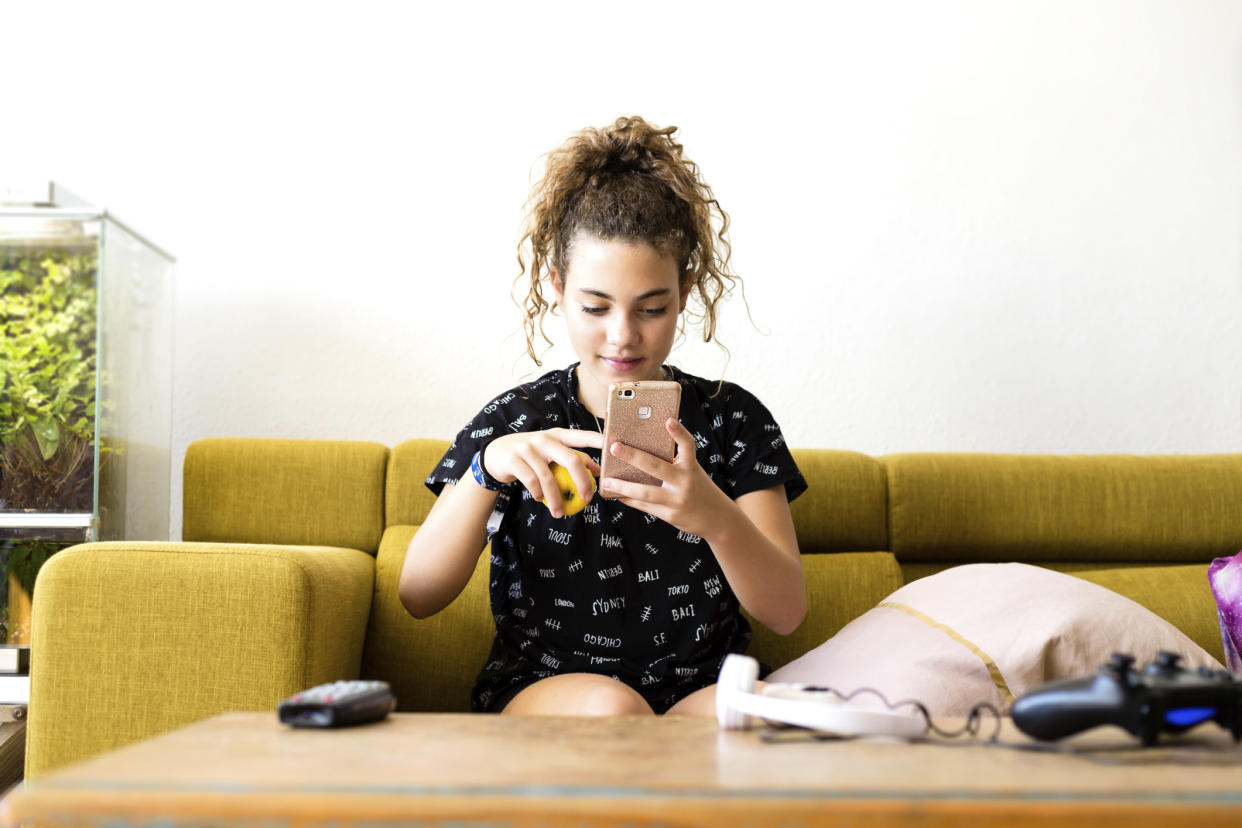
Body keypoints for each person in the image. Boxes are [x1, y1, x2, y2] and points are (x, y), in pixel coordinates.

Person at [398, 115, 807, 716]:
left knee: (787, 715)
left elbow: (787, 612)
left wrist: (712, 514)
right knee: (613, 712)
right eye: (595, 307)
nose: (622, 337)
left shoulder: (731, 419)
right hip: (549, 689)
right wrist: (487, 470)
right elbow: (417, 595)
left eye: (652, 308)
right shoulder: (518, 421)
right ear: (558, 288)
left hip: (701, 689)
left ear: (685, 293)